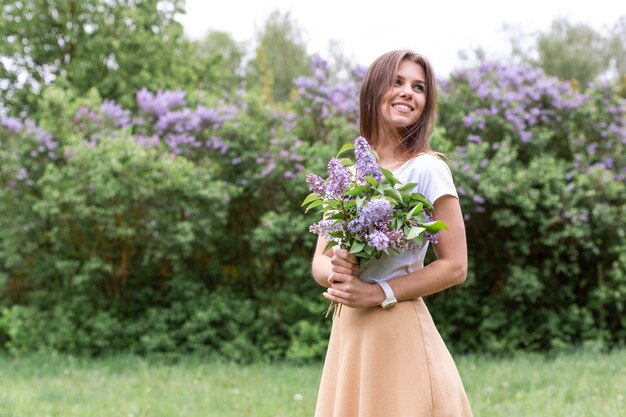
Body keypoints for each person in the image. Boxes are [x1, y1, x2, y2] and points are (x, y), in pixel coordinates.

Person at [311, 50, 474, 417]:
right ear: (373, 91)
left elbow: (454, 266)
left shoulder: (427, 169)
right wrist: (340, 274)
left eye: (418, 87)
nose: (408, 92)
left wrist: (375, 292)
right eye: (397, 82)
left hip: (397, 327)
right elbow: (320, 261)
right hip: (349, 329)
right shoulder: (348, 176)